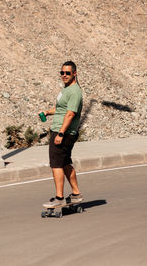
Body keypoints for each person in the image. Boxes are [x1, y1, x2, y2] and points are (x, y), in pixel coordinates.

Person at [41, 61, 84, 207]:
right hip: (61, 130)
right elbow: (61, 109)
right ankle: (76, 194)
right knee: (65, 163)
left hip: (63, 132)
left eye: (68, 73)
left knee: (56, 164)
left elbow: (70, 114)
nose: (64, 75)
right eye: (62, 73)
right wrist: (47, 112)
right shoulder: (66, 90)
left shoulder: (74, 92)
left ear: (74, 74)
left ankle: (59, 198)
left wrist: (60, 133)